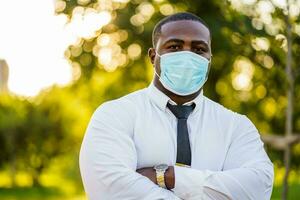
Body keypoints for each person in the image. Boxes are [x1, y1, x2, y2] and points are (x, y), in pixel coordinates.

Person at [79, 12, 274, 200]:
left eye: (199, 49)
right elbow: (111, 190)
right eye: (174, 47)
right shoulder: (115, 115)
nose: (187, 56)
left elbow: (258, 187)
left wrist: (167, 176)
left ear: (209, 60)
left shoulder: (236, 126)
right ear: (153, 57)